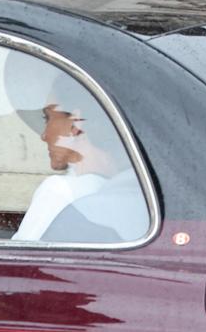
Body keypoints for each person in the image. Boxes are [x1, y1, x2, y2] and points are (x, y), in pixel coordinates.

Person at [10, 73, 147, 242]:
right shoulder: (141, 190)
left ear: (75, 122)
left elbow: (24, 262)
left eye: (47, 118)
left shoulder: (61, 191)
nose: (44, 135)